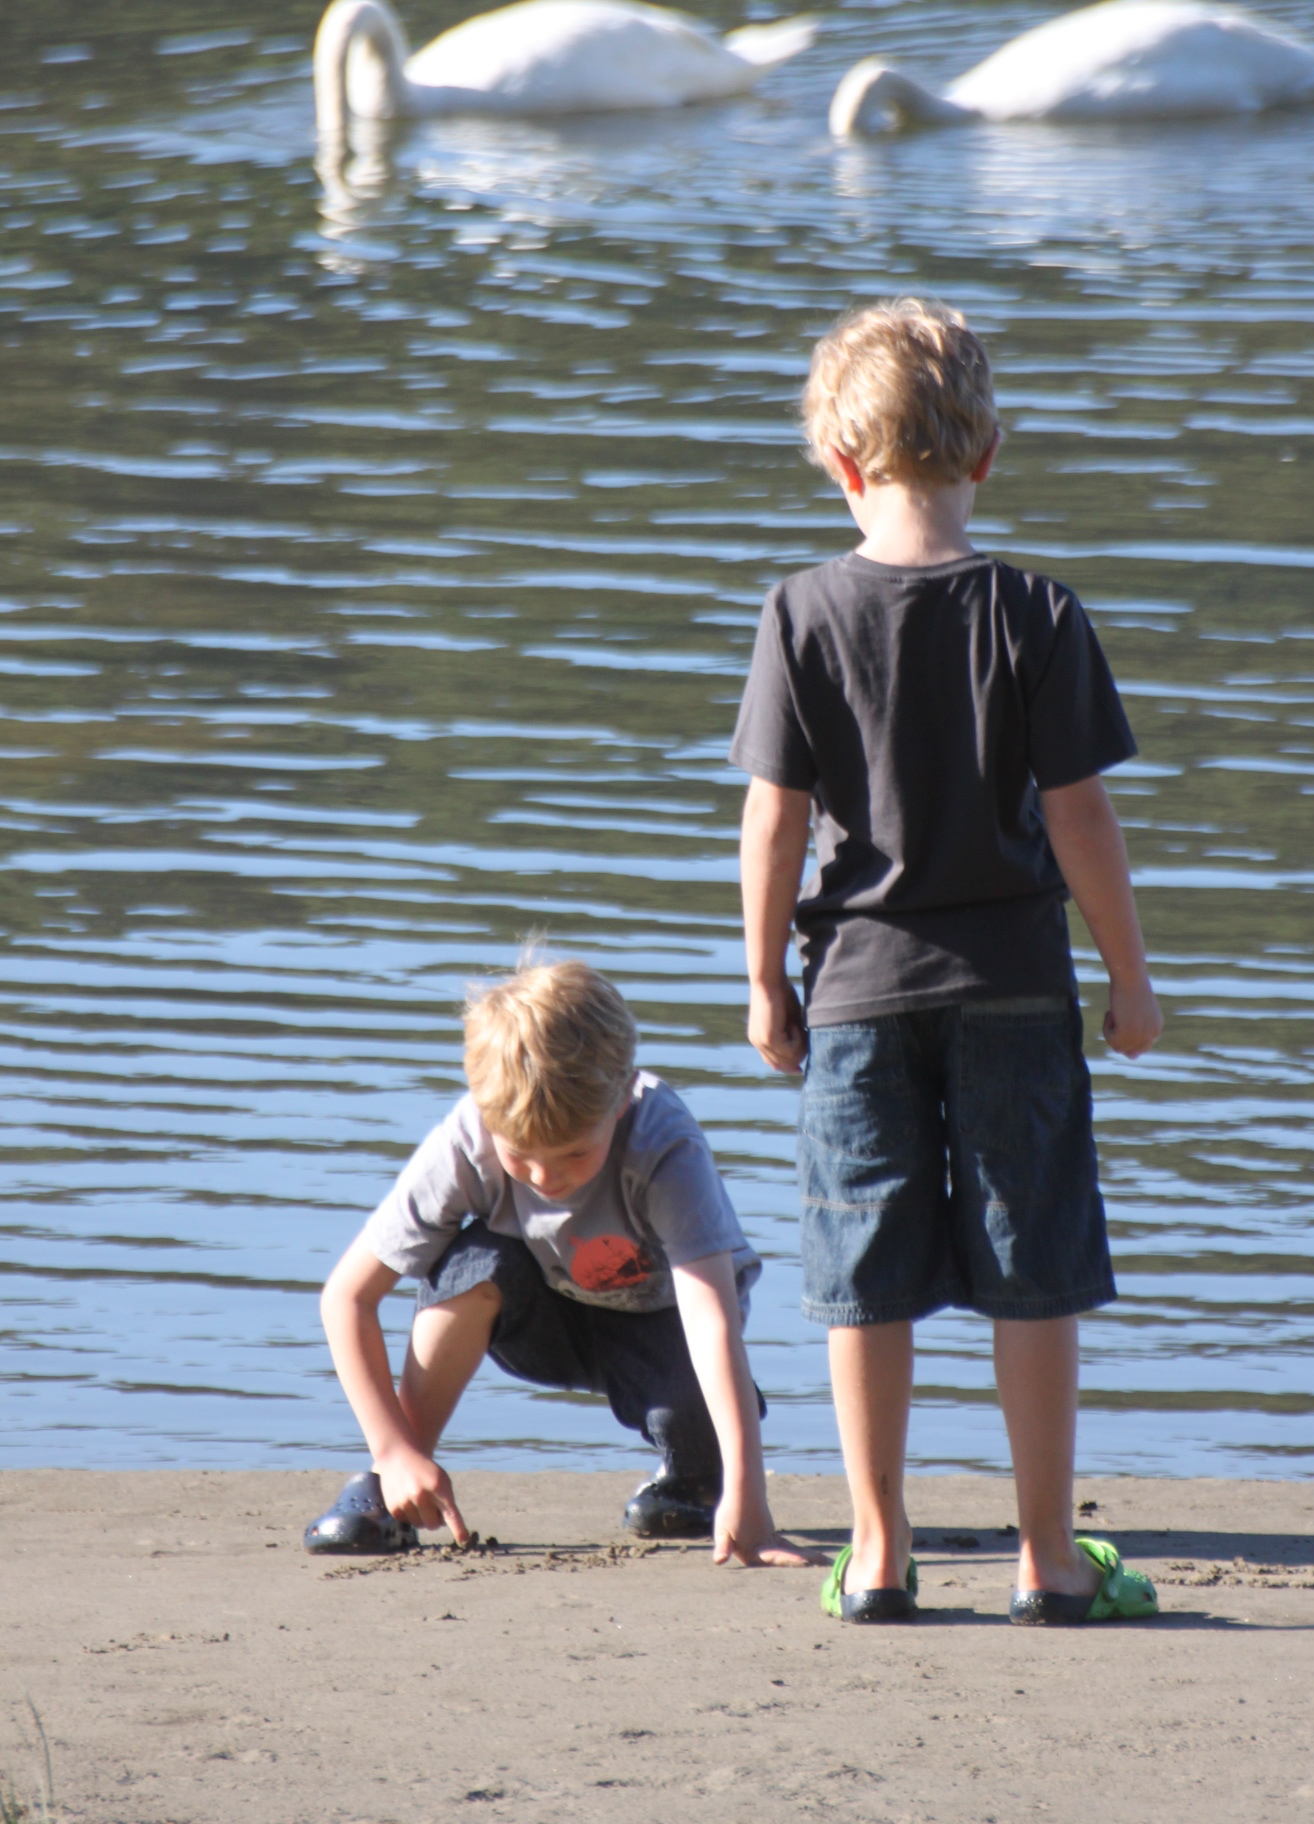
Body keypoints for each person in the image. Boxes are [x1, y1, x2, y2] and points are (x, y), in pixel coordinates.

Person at [731, 297, 1163, 1625]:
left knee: (865, 1276)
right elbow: (1081, 815)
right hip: (1019, 990)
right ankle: (1044, 1557)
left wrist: (763, 984)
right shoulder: (1035, 611)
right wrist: (1131, 976)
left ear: (842, 467)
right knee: (1033, 1271)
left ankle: (878, 1550)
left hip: (857, 993)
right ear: (988, 454)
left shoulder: (802, 612)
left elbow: (776, 817)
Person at [303, 955, 805, 1568]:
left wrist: (749, 1496)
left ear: (620, 1101)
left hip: (663, 1326)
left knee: (694, 1408)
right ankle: (393, 1487)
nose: (546, 1178)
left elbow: (712, 1318)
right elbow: (347, 1297)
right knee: (475, 1262)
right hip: (538, 1312)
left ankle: (696, 1481)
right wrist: (389, 1448)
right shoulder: (469, 1139)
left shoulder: (662, 1143)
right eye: (522, 1156)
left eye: (572, 1152)